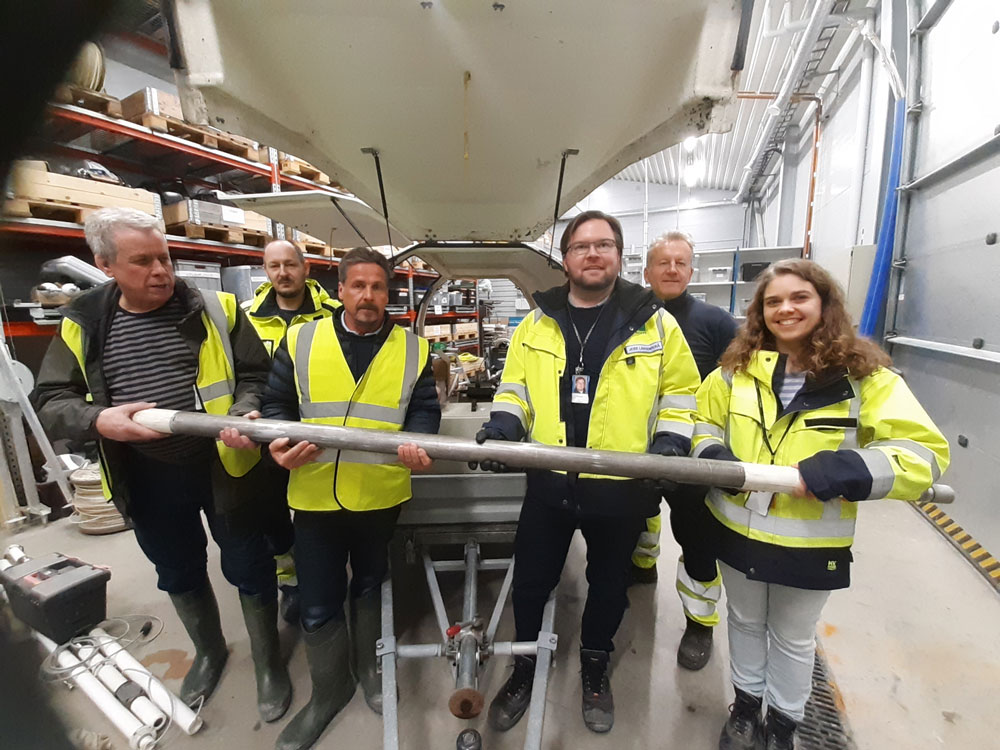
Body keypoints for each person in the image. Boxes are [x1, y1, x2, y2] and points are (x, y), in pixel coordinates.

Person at [32, 207, 292, 722]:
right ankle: (211, 651)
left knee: (249, 562)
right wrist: (100, 419)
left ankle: (269, 663)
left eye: (165, 258)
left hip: (222, 464)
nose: (161, 272)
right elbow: (50, 399)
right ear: (105, 264)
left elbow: (256, 375)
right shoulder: (83, 320)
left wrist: (243, 411)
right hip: (145, 471)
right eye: (143, 262)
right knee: (176, 567)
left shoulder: (217, 309)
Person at [693, 259, 949, 750]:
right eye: (773, 302)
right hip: (737, 528)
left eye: (798, 298)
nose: (785, 309)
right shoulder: (735, 372)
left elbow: (923, 453)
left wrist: (846, 468)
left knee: (792, 638)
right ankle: (745, 709)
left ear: (824, 304)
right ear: (759, 312)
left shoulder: (864, 379)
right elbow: (701, 421)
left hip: (809, 538)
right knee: (744, 621)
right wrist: (714, 456)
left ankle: (783, 725)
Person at [474, 210, 700, 733]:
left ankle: (595, 665)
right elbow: (516, 390)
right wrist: (505, 427)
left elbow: (681, 391)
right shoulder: (537, 321)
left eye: (604, 245)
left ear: (620, 257)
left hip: (619, 487)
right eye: (581, 246)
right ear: (566, 259)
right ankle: (525, 663)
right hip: (550, 484)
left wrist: (669, 443)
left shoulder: (654, 322)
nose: (593, 254)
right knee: (531, 583)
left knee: (608, 586)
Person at [256, 247, 441, 750]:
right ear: (339, 290)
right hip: (314, 495)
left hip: (379, 495)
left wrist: (420, 443)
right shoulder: (301, 339)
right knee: (316, 601)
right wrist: (279, 448)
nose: (368, 296)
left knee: (370, 584)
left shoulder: (412, 349)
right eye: (357, 286)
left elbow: (424, 410)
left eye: (378, 287)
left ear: (389, 294)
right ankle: (328, 692)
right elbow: (276, 405)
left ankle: (369, 669)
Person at [631, 231, 739, 671]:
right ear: (647, 271)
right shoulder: (629, 317)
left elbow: (738, 385)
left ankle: (699, 622)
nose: (672, 269)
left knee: (696, 536)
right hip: (635, 442)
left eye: (681, 263)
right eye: (663, 262)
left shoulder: (715, 322)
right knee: (635, 513)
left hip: (693, 450)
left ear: (691, 271)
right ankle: (641, 567)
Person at [242, 239, 340, 623]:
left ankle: (325, 577)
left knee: (322, 514)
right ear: (265, 271)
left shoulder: (332, 314)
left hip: (321, 431)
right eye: (273, 266)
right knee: (273, 516)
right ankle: (292, 583)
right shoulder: (247, 317)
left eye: (290, 265)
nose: (282, 273)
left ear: (306, 268)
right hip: (269, 434)